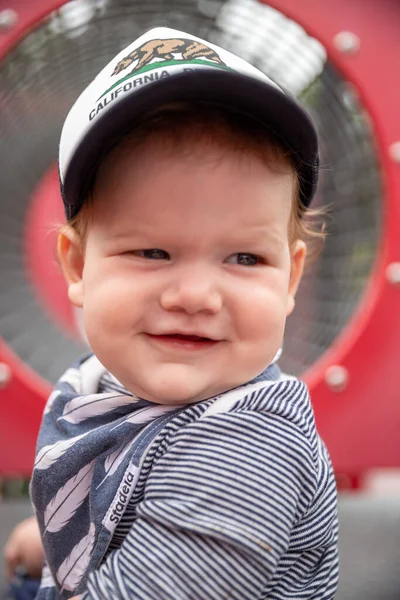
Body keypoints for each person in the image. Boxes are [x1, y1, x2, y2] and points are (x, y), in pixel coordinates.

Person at [29, 26, 338, 600]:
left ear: (290, 276)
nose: (196, 295)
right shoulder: (106, 383)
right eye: (153, 252)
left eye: (245, 257)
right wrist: (52, 541)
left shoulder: (248, 448)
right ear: (77, 267)